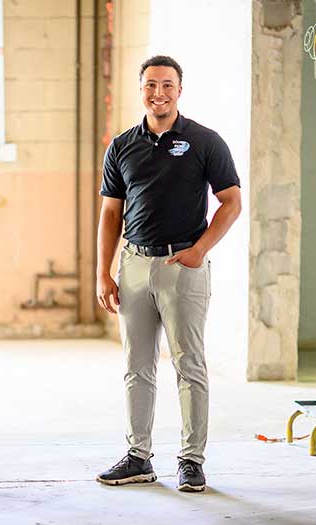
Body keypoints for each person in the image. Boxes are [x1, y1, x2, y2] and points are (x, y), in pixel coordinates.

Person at [95, 55, 241, 493]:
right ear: (140, 89)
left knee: (189, 364)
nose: (158, 93)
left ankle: (191, 459)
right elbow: (110, 212)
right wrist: (104, 272)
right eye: (150, 85)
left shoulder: (204, 142)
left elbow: (231, 201)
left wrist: (200, 250)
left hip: (184, 267)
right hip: (134, 265)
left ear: (180, 90)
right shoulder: (122, 146)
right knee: (136, 366)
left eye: (167, 85)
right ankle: (138, 455)